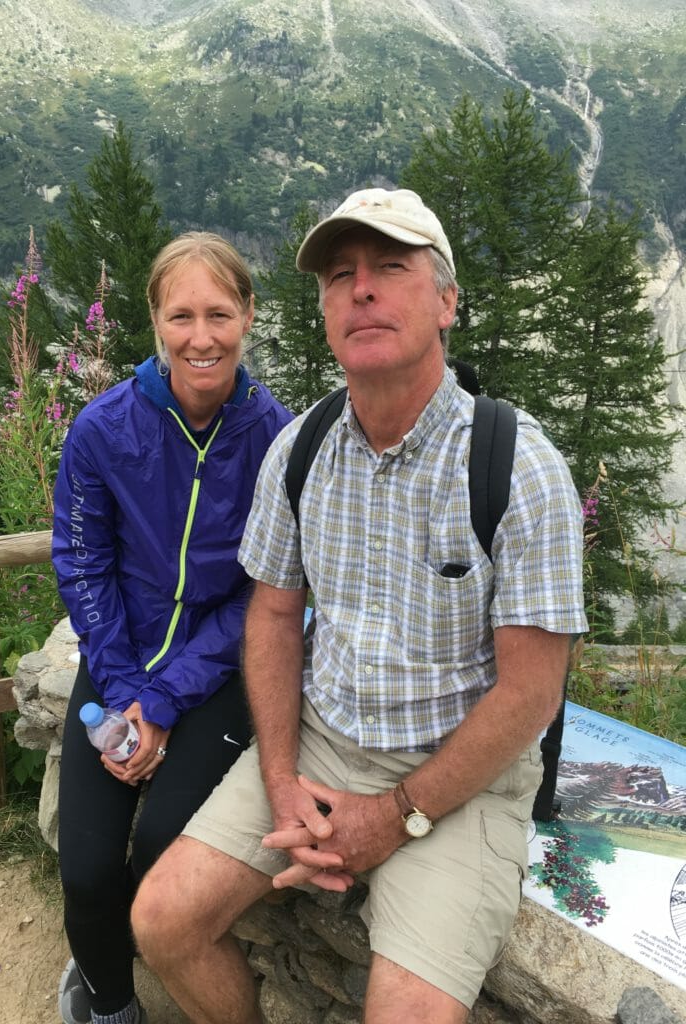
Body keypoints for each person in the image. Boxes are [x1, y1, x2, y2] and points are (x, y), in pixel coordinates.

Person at [130, 189, 588, 1023]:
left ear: (446, 300)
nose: (362, 289)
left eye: (391, 268)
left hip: (461, 778)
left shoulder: (517, 467)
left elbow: (530, 691)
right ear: (325, 312)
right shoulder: (299, 450)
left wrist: (395, 815)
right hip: (319, 742)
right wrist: (279, 779)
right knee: (163, 922)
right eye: (341, 275)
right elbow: (271, 617)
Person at [51, 231, 293, 1024]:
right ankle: (108, 1000)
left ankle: (123, 947)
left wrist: (162, 702)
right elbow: (84, 565)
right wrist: (126, 691)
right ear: (154, 319)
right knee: (86, 867)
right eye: (181, 315)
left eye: (219, 313)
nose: (201, 337)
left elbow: (267, 595)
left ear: (248, 316)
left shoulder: (277, 441)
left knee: (161, 848)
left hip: (218, 674)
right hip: (119, 661)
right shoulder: (101, 430)